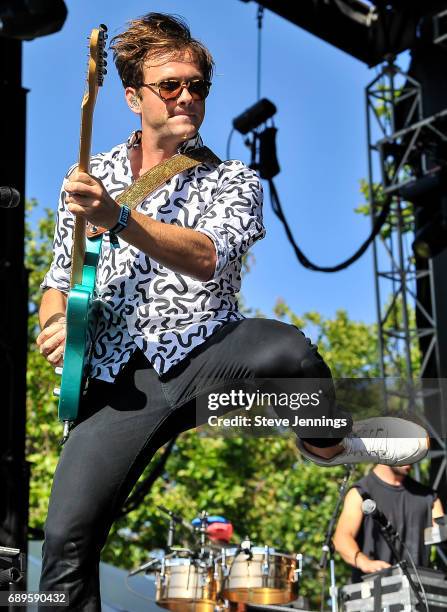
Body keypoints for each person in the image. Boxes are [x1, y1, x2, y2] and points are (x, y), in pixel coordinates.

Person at [36, 12, 429, 610]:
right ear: (132, 97)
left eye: (197, 85)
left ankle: (326, 443)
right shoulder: (95, 174)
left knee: (292, 354)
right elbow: (58, 277)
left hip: (208, 357)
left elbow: (207, 257)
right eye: (170, 85)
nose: (187, 96)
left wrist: (118, 216)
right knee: (65, 546)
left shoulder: (234, 179)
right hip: (118, 383)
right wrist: (55, 321)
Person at [333, 463, 444, 582]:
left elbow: (441, 531)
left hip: (418, 592)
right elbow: (341, 538)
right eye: (404, 451)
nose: (410, 459)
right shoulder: (360, 492)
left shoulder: (429, 497)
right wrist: (364, 562)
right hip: (372, 591)